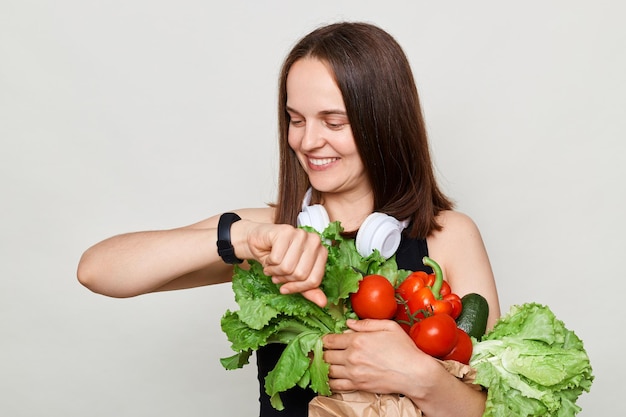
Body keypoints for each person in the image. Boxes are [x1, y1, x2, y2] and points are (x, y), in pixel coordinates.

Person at [77, 21, 500, 417]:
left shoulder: (450, 238)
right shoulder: (270, 234)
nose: (307, 140)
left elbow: (503, 406)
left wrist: (421, 377)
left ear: (384, 122)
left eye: (333, 121)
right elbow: (98, 270)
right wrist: (242, 238)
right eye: (295, 120)